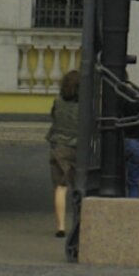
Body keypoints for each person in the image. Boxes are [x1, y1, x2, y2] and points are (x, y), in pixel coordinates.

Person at [48, 70, 81, 238]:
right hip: (79, 148)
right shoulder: (85, 104)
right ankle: (80, 222)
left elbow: (53, 117)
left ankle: (60, 226)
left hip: (59, 147)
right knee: (79, 187)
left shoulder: (58, 101)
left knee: (60, 188)